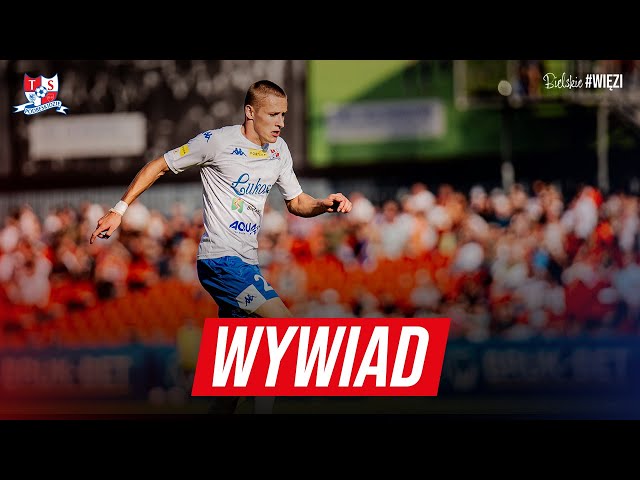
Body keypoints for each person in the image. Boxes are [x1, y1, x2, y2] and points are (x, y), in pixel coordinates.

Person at [89, 79, 353, 414]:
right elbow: (159, 165)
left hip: (248, 263)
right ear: (250, 112)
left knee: (235, 380)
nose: (281, 123)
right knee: (283, 326)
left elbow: (297, 202)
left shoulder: (279, 151)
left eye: (284, 115)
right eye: (273, 115)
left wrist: (324, 205)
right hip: (221, 260)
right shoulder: (216, 142)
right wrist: (119, 209)